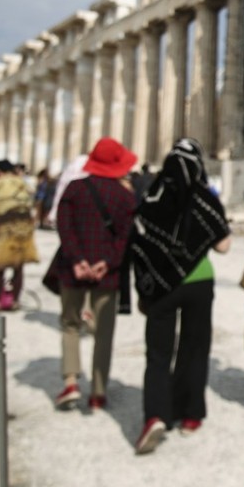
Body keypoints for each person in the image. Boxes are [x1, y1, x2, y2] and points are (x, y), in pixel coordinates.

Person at [131, 138, 232, 455]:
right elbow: (224, 245)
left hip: (162, 285)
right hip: (199, 283)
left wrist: (143, 288)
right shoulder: (205, 198)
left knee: (158, 354)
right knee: (195, 347)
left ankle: (157, 416)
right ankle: (190, 415)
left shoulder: (152, 198)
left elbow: (139, 245)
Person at [48, 138, 138, 411]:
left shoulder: (74, 190)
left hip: (72, 270)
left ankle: (71, 382)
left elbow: (65, 229)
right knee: (104, 333)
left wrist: (78, 261)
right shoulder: (125, 197)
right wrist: (105, 263)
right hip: (107, 274)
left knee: (71, 324)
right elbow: (125, 238)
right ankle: (98, 392)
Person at [0, 159, 40, 311]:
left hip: (0, 231)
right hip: (21, 232)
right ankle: (15, 301)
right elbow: (31, 204)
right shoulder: (22, 184)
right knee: (18, 268)